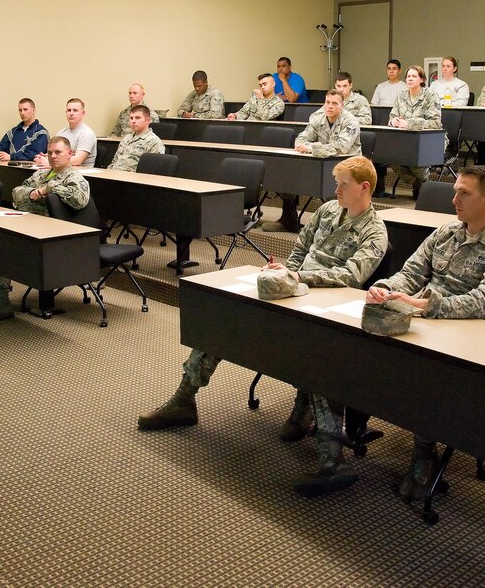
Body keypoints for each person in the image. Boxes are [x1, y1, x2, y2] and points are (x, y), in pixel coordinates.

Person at [138, 156, 388, 497]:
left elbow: (352, 275)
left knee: (323, 355)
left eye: (343, 184)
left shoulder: (375, 231)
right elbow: (301, 248)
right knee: (227, 318)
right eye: (336, 183)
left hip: (329, 302)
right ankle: (184, 400)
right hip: (296, 288)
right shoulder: (328, 211)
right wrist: (285, 270)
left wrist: (299, 276)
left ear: (364, 187)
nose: (336, 190)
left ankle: (331, 458)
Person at [366, 165, 485, 503]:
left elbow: (483, 302)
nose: (454, 200)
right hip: (425, 318)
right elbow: (410, 273)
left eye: (464, 193)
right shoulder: (446, 232)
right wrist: (385, 288)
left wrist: (427, 306)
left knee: (425, 370)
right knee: (358, 344)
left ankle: (425, 450)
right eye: (455, 191)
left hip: (468, 336)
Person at [0, 137, 91, 323]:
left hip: (47, 235)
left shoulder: (75, 179)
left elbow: (79, 200)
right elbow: (17, 193)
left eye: (58, 152)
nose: (53, 156)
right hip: (25, 223)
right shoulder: (42, 174)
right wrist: (34, 193)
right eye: (50, 153)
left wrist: (48, 189)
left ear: (70, 153)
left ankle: (2, 302)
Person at [261, 90, 362, 233]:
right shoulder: (318, 119)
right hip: (323, 162)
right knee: (288, 172)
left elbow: (341, 147)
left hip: (349, 166)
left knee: (331, 182)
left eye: (334, 103)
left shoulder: (350, 121)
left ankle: (337, 225)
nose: (330, 106)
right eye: (327, 102)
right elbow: (301, 139)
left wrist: (311, 148)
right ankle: (289, 218)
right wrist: (306, 146)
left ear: (342, 106)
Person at [386, 65, 443, 198]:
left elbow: (435, 123)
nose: (410, 79)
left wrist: (409, 124)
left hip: (430, 140)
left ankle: (423, 187)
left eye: (414, 76)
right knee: (389, 157)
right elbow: (392, 117)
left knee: (414, 158)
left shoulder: (430, 95)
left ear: (422, 79)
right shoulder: (401, 95)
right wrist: (394, 121)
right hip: (406, 140)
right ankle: (419, 182)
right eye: (408, 76)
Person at [36, 97, 96, 168]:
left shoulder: (87, 133)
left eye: (75, 110)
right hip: (60, 170)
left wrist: (49, 161)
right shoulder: (61, 133)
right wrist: (43, 157)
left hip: (80, 172)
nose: (71, 113)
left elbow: (77, 160)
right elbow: (54, 154)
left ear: (83, 114)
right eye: (69, 110)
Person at [0, 97, 49, 162]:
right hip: (8, 167)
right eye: (20, 110)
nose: (22, 113)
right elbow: (0, 149)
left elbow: (35, 154)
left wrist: (11, 157)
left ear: (33, 110)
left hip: (29, 168)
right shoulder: (12, 132)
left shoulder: (41, 133)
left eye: (25, 109)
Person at [108, 105, 164, 172]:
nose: (133, 121)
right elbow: (114, 162)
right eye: (131, 118)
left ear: (148, 120)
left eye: (137, 118)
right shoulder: (126, 139)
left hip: (133, 177)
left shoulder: (154, 142)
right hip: (114, 175)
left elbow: (152, 170)